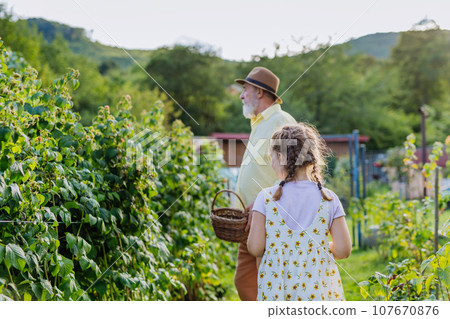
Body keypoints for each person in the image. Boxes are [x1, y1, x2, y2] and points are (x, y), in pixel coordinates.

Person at [247, 123, 352, 301]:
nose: (271, 163)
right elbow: (343, 250)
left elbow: (256, 247)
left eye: (271, 157)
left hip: (277, 290)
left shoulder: (265, 198)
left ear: (280, 156)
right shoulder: (329, 198)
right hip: (318, 290)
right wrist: (315, 250)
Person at [234, 67, 296, 301]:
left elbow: (294, 174)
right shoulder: (258, 123)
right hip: (250, 219)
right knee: (245, 281)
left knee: (267, 283)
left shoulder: (282, 121)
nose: (241, 95)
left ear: (259, 92)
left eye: (245, 89)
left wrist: (265, 204)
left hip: (269, 218)